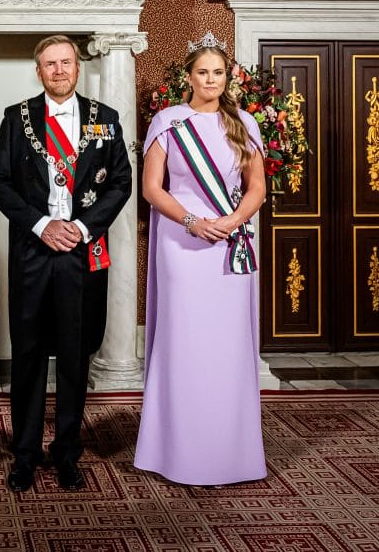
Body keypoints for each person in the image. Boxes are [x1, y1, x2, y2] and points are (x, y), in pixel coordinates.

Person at [0, 35, 131, 492]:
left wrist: (83, 228)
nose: (59, 70)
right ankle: (25, 454)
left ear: (77, 67)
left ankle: (67, 453)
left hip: (81, 253)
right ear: (39, 71)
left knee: (73, 355)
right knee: (28, 356)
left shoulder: (105, 119)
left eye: (66, 62)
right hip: (33, 252)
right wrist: (41, 225)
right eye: (50, 64)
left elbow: (121, 183)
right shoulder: (16, 119)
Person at [133, 32, 267, 486]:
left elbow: (256, 188)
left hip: (229, 243)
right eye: (203, 72)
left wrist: (231, 222)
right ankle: (176, 451)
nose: (211, 80)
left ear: (228, 77)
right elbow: (152, 188)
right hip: (181, 244)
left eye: (218, 72)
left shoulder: (244, 123)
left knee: (226, 346)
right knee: (185, 342)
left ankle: (230, 452)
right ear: (188, 77)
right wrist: (192, 221)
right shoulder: (168, 122)